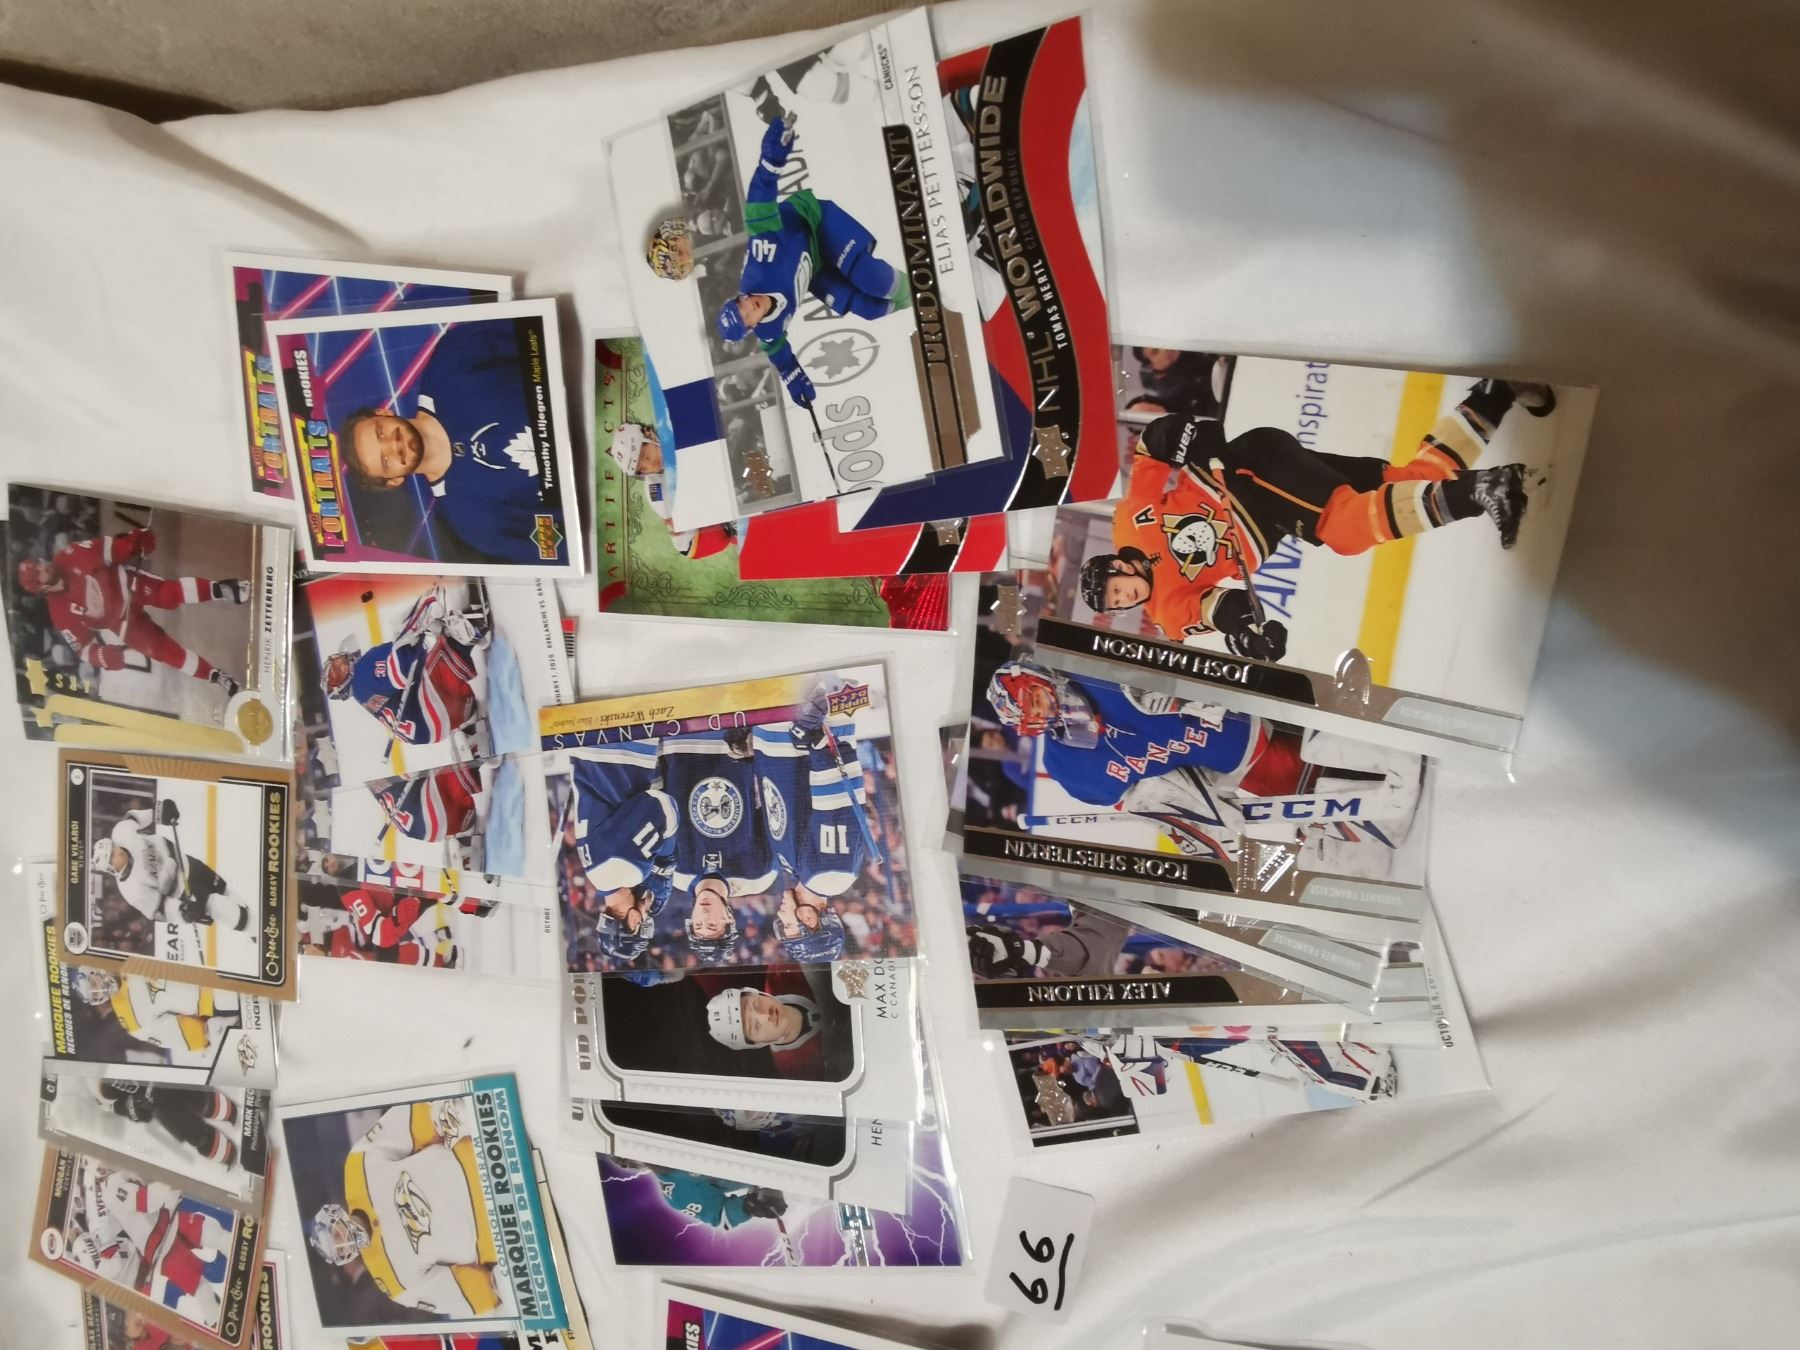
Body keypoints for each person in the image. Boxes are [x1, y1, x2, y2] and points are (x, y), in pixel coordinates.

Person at [1079, 379, 1556, 659]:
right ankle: (1495, 396)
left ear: (1117, 567)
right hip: (1274, 509)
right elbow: (1217, 609)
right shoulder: (1166, 614)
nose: (1125, 599)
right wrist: (1246, 631)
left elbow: (1151, 450)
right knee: (1409, 484)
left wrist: (1191, 440)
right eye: (1118, 604)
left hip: (1246, 471)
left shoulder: (1130, 522)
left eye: (1117, 590)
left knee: (1346, 529)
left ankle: (1486, 489)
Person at [647, 118, 909, 408]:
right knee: (868, 309)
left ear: (739, 297)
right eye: (747, 317)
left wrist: (770, 162)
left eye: (741, 305)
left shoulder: (761, 261)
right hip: (814, 268)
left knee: (872, 278)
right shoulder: (768, 332)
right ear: (752, 327)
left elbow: (757, 208)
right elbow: (781, 356)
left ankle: (918, 287)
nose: (750, 307)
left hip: (813, 223)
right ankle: (914, 304)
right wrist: (795, 379)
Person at [337, 320, 567, 567]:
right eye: (385, 461)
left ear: (383, 413)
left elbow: (543, 330)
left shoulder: (453, 358)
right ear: (394, 480)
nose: (394, 446)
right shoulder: (473, 524)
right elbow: (564, 546)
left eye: (380, 433)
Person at [309, 1097, 503, 1318]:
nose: (345, 1241)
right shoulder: (393, 1283)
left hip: (489, 1159)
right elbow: (475, 1293)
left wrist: (451, 1117)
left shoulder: (359, 1166)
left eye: (337, 1234)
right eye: (341, 1250)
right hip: (505, 1230)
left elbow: (418, 1116)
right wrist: (502, 1281)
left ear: (336, 1214)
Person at [14, 525, 249, 696]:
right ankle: (217, 676)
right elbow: (83, 648)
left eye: (38, 564)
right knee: (164, 652)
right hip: (123, 623)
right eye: (38, 573)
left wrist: (130, 544)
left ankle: (224, 589)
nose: (43, 567)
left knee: (168, 594)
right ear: (41, 587)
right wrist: (102, 656)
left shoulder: (67, 556)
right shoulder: (59, 614)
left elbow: (106, 550)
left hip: (127, 584)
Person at [322, 588, 489, 755]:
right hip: (434, 710)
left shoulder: (362, 694)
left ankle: (469, 731)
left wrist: (418, 636)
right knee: (446, 643)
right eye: (338, 671)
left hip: (436, 723)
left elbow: (410, 670)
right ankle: (473, 623)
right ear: (343, 687)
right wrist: (418, 627)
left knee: (432, 659)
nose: (342, 665)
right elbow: (401, 672)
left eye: (338, 664)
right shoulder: (362, 675)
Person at [564, 740, 677, 964]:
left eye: (642, 922)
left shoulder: (628, 872)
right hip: (588, 750)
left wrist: (665, 864)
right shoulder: (596, 875)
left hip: (620, 749)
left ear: (633, 921)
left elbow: (665, 805)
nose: (646, 914)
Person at [90, 798, 248, 931]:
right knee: (215, 905)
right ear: (112, 869)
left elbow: (134, 818)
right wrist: (182, 912)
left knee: (222, 889)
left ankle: (249, 918)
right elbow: (159, 910)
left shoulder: (121, 833)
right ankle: (251, 927)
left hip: (186, 862)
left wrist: (160, 813)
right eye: (112, 856)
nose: (116, 851)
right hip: (181, 891)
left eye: (112, 847)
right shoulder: (131, 891)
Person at [87, 1081, 240, 1170]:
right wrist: (137, 1105)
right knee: (195, 1133)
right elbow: (139, 1114)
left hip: (165, 1079)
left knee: (203, 1100)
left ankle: (236, 1114)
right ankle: (231, 1156)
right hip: (160, 1104)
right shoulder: (110, 1098)